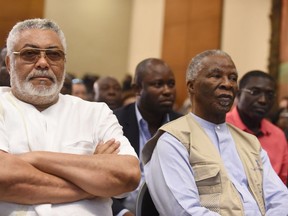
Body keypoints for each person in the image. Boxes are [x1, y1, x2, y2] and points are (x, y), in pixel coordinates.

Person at [0, 18, 141, 216]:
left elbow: (127, 175)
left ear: (64, 63)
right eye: (30, 54)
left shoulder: (95, 113)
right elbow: (4, 178)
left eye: (53, 55)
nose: (42, 63)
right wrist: (93, 184)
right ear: (9, 63)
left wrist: (32, 159)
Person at [142, 50, 288, 216]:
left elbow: (280, 198)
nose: (228, 84)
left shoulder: (250, 142)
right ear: (191, 86)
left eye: (233, 78)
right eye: (216, 76)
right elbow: (184, 211)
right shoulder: (173, 141)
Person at [112, 58, 182, 215]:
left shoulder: (183, 126)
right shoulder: (115, 122)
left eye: (171, 84)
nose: (167, 91)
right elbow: (100, 180)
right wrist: (121, 213)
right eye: (158, 84)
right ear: (137, 89)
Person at [226, 70, 288, 185]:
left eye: (269, 95)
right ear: (238, 94)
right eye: (255, 92)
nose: (263, 100)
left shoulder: (278, 136)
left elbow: (282, 183)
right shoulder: (219, 126)